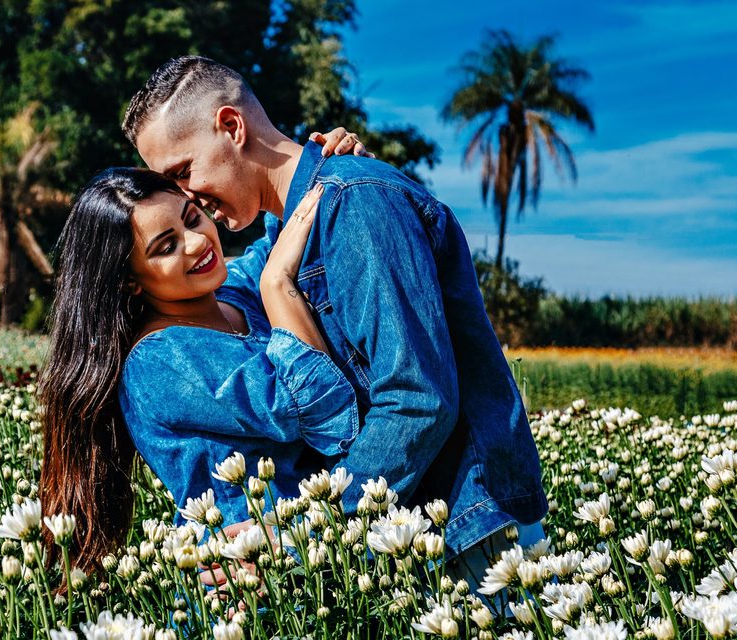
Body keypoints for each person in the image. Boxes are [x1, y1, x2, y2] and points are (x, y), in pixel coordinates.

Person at [122, 56, 549, 596]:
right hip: (407, 535)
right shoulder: (299, 223)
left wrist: (305, 533)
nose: (186, 198)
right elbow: (240, 278)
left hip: (463, 530)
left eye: (182, 173)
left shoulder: (353, 201)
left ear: (231, 126)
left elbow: (417, 399)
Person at [37, 130, 368, 579]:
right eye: (166, 247)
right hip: (252, 585)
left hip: (319, 555)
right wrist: (278, 286)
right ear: (130, 281)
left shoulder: (233, 295)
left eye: (192, 218)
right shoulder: (158, 361)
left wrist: (329, 163)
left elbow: (290, 228)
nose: (195, 242)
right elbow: (322, 411)